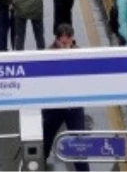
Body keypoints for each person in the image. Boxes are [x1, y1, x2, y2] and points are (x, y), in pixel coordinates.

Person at [42, 24, 90, 172]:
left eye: (69, 43)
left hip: (74, 107)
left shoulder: (79, 54)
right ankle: (37, 164)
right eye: (63, 43)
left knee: (78, 145)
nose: (66, 47)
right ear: (56, 40)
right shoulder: (47, 55)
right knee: (45, 141)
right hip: (54, 107)